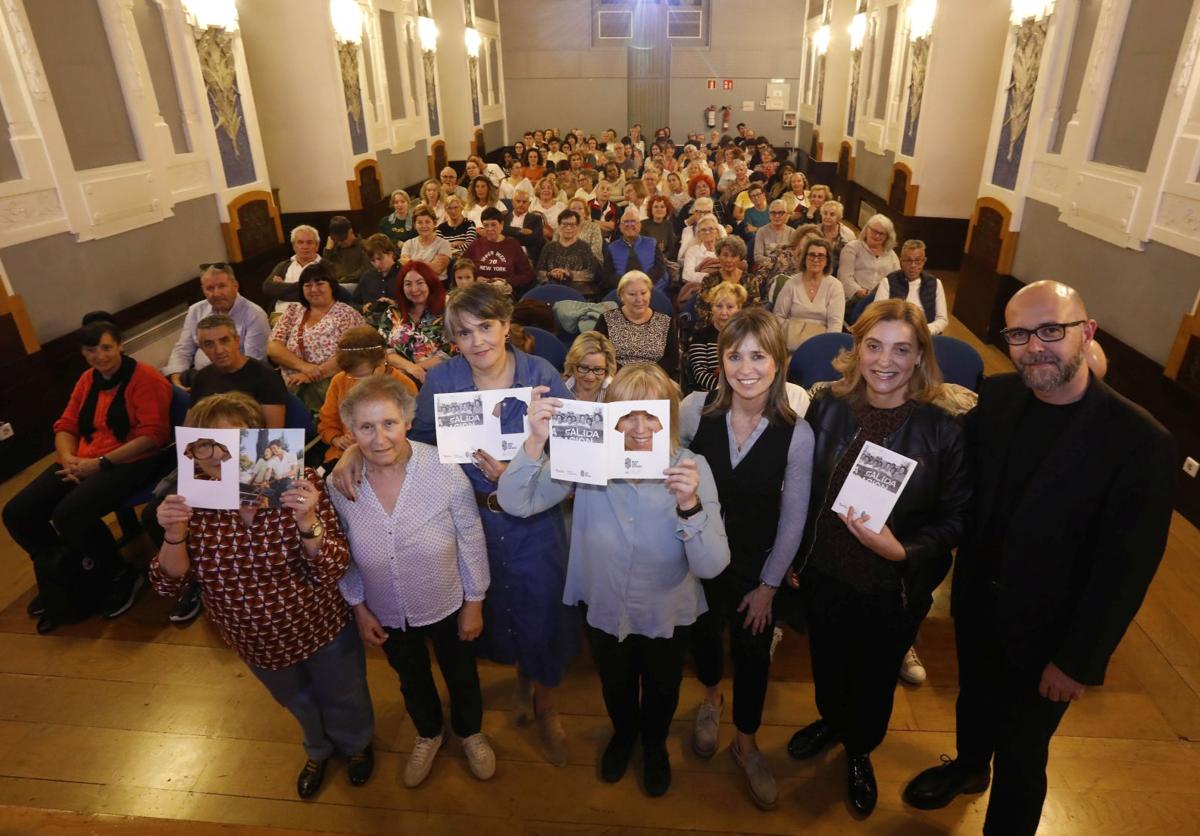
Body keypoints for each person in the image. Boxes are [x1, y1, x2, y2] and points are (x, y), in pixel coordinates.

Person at [902, 281, 1174, 836]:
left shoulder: (1141, 441)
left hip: (1052, 635)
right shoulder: (999, 397)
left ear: (1087, 332)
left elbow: (1126, 570)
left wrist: (1078, 661)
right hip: (978, 603)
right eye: (1020, 334)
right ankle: (970, 768)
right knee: (974, 703)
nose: (1035, 346)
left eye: (1052, 330)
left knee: (1024, 754)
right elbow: (945, 461)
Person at [330, 283, 579, 768]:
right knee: (493, 610)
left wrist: (522, 473)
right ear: (453, 340)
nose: (478, 340)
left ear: (507, 326)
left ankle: (546, 703)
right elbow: (411, 439)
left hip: (534, 518)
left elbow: (574, 452)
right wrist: (357, 449)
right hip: (471, 519)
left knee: (542, 610)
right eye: (464, 332)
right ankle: (516, 681)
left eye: (486, 326)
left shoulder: (541, 374)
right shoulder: (442, 382)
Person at [497, 364, 730, 797]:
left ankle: (655, 744)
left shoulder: (691, 467)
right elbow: (517, 502)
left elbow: (712, 565)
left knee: (662, 688)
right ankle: (625, 734)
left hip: (666, 608)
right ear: (609, 418)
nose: (640, 427)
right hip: (605, 604)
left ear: (670, 418)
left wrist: (690, 505)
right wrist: (535, 441)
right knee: (616, 683)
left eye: (652, 414)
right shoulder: (588, 460)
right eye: (627, 414)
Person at [785, 299, 971, 817]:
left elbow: (957, 519)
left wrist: (902, 550)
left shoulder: (942, 428)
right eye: (873, 345)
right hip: (825, 573)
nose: (884, 360)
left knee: (872, 679)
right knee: (827, 664)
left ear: (918, 358)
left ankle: (860, 749)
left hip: (891, 586)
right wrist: (799, 558)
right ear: (857, 349)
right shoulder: (827, 406)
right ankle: (830, 719)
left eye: (901, 349)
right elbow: (806, 491)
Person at [150, 392, 374, 800]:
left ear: (257, 441)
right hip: (255, 639)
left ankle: (357, 745)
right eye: (209, 444)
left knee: (346, 692)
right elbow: (169, 583)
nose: (222, 455)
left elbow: (335, 565)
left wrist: (307, 521)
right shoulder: (187, 501)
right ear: (193, 450)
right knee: (297, 701)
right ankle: (318, 748)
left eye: (236, 440)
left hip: (320, 623)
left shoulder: (296, 482)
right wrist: (173, 534)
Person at [329, 376, 495, 788]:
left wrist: (474, 601)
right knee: (410, 675)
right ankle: (428, 731)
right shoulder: (342, 483)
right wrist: (358, 606)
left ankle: (470, 731)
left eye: (388, 423)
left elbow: (471, 536)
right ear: (350, 432)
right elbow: (344, 548)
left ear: (406, 421)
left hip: (445, 599)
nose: (379, 437)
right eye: (365, 428)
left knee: (461, 672)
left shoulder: (442, 468)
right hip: (385, 608)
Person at [681, 308, 814, 809]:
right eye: (735, 355)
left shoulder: (796, 433)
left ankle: (747, 740)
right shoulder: (696, 410)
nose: (746, 367)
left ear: (779, 362)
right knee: (705, 636)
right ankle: (711, 697)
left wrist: (769, 586)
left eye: (758, 355)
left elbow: (793, 519)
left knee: (754, 654)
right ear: (721, 360)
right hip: (700, 554)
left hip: (758, 565)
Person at [4, 312, 171, 633]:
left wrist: (101, 463)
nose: (100, 356)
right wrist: (67, 458)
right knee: (17, 512)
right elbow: (66, 425)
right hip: (83, 459)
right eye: (91, 351)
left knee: (69, 514)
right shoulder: (86, 380)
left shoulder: (145, 378)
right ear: (83, 354)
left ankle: (119, 573)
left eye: (106, 348)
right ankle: (62, 569)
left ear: (120, 345)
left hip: (132, 460)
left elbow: (154, 435)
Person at [267, 261, 366, 411]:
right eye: (307, 285)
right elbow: (273, 348)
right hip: (290, 390)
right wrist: (305, 368)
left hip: (333, 390)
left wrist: (312, 375)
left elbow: (350, 354)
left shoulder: (346, 314)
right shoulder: (293, 311)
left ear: (331, 286)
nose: (313, 290)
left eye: (319, 284)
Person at [318, 327, 417, 465]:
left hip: (389, 455)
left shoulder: (403, 384)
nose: (358, 383)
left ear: (383, 360)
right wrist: (336, 439)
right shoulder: (339, 380)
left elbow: (412, 430)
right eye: (352, 376)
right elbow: (327, 422)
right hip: (343, 456)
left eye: (365, 376)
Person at [162, 264, 269, 389]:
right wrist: (176, 378)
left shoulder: (255, 314)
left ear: (235, 286)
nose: (216, 293)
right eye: (210, 288)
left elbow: (252, 364)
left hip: (236, 382)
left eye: (222, 286)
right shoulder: (196, 311)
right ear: (203, 290)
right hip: (198, 377)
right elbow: (183, 349)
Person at [379, 260, 452, 383]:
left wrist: (416, 370)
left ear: (430, 284)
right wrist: (409, 368)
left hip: (438, 378)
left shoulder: (448, 311)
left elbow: (450, 352)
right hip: (397, 379)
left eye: (420, 283)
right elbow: (383, 349)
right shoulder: (392, 312)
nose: (414, 289)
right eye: (408, 284)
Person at [594, 270, 679, 377]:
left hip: (655, 380)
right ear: (621, 296)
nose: (639, 299)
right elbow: (597, 352)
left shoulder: (665, 321)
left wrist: (648, 375)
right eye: (632, 294)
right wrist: (626, 375)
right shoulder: (607, 319)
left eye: (643, 293)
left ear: (650, 293)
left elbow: (672, 359)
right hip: (617, 378)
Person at [773, 238, 846, 350]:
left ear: (827, 261)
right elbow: (778, 316)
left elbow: (835, 324)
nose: (815, 259)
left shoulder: (835, 286)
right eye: (811, 255)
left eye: (820, 256)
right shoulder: (791, 283)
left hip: (821, 344)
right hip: (790, 343)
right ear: (805, 258)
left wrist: (826, 348)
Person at [871, 239, 948, 335]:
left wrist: (925, 331)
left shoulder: (935, 283)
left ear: (924, 261)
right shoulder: (888, 282)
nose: (913, 265)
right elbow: (876, 314)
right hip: (895, 333)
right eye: (908, 260)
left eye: (917, 260)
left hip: (926, 335)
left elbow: (942, 319)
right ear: (901, 261)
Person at [685, 282, 746, 392]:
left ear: (739, 308)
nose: (723, 313)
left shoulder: (746, 336)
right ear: (712, 308)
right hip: (711, 395)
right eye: (718, 306)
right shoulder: (701, 336)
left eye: (730, 307)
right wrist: (725, 392)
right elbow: (700, 374)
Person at [465, 207, 535, 294]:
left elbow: (528, 275)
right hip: (479, 291)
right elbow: (460, 269)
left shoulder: (512, 244)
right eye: (486, 225)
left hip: (504, 293)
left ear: (501, 224)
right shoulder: (476, 244)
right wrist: (474, 279)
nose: (490, 229)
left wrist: (507, 282)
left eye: (493, 225)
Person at [535, 209, 601, 299]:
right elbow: (539, 273)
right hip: (551, 288)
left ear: (577, 227)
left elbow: (591, 274)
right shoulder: (549, 247)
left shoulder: (584, 247)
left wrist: (569, 274)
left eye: (572, 225)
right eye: (565, 224)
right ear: (559, 226)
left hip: (578, 291)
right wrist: (550, 274)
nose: (568, 228)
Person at [839, 213, 900, 308]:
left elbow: (897, 280)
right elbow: (844, 277)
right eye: (874, 231)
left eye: (881, 234)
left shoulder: (891, 254)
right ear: (867, 229)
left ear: (887, 237)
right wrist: (858, 291)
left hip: (883, 301)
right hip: (856, 300)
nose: (877, 236)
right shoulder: (852, 248)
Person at [603, 207, 670, 293]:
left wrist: (643, 283)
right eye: (626, 222)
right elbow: (608, 274)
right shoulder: (612, 247)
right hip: (623, 290)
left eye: (633, 221)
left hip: (651, 288)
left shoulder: (651, 243)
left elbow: (660, 267)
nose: (629, 225)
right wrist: (626, 285)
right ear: (620, 227)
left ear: (639, 226)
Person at [262, 225, 325, 313]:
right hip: (279, 316)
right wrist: (303, 285)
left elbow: (322, 295)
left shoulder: (325, 266)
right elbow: (268, 288)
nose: (304, 246)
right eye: (300, 242)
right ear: (294, 246)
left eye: (309, 242)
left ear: (317, 245)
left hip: (312, 316)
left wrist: (282, 288)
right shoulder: (283, 266)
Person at [690, 236, 749, 325]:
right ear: (718, 255)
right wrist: (721, 322)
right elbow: (701, 310)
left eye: (733, 256)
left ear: (740, 258)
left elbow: (754, 311)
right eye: (725, 255)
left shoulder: (750, 280)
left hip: (741, 328)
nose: (729, 260)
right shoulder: (709, 279)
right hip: (713, 327)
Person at [354, 234, 403, 317]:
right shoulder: (367, 277)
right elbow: (352, 302)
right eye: (372, 260)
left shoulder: (405, 275)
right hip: (370, 322)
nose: (377, 264)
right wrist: (362, 307)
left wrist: (395, 304)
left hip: (398, 322)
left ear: (391, 254)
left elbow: (416, 304)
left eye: (380, 258)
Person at [400, 206, 453, 282]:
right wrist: (426, 264)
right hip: (414, 284)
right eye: (420, 222)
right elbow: (404, 268)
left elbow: (437, 269)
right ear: (415, 225)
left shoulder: (444, 244)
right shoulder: (408, 244)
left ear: (434, 223)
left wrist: (412, 262)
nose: (424, 226)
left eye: (427, 222)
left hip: (436, 284)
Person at [562, 330, 616, 402]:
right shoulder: (559, 388)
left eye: (597, 369)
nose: (590, 377)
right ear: (572, 365)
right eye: (584, 368)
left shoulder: (616, 391)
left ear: (608, 368)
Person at [323, 216, 371, 286]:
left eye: (342, 239)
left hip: (358, 285)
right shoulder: (332, 248)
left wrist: (343, 280)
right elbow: (323, 270)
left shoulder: (365, 246)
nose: (339, 242)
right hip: (336, 287)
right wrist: (327, 250)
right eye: (337, 239)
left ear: (351, 232)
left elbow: (366, 270)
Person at [504, 188, 545, 265]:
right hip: (505, 254)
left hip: (526, 257)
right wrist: (519, 231)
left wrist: (509, 235)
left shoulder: (536, 219)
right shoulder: (504, 217)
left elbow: (536, 239)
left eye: (524, 202)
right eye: (518, 201)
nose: (521, 204)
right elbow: (501, 232)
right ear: (512, 203)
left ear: (529, 204)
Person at [437, 195, 478, 260]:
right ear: (446, 210)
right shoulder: (440, 228)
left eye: (456, 207)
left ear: (461, 208)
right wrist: (458, 243)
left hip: (466, 260)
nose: (453, 211)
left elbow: (470, 246)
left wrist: (450, 247)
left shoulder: (469, 224)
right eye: (449, 208)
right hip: (447, 262)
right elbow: (438, 249)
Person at [753, 199, 793, 266]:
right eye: (773, 213)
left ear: (786, 214)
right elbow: (757, 257)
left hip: (787, 269)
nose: (776, 216)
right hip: (767, 268)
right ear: (769, 215)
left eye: (780, 213)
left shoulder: (792, 232)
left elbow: (795, 257)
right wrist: (776, 261)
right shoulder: (761, 231)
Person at [641, 195, 678, 260]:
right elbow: (641, 247)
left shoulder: (668, 225)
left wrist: (663, 257)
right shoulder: (643, 224)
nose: (659, 209)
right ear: (651, 209)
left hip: (663, 260)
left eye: (662, 207)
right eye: (655, 207)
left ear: (666, 209)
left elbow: (671, 249)